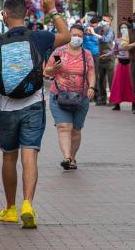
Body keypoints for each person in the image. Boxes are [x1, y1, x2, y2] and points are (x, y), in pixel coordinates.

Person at [0, 0, 70, 229]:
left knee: (9, 157)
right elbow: (66, 35)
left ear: (5, 14)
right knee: (29, 154)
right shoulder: (39, 37)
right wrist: (51, 9)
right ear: (26, 13)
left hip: (7, 107)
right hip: (33, 104)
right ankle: (28, 204)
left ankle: (10, 209)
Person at [46, 24, 96, 170]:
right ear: (69, 35)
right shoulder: (59, 52)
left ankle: (73, 158)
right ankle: (67, 157)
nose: (77, 38)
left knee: (76, 130)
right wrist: (54, 68)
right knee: (64, 127)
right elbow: (47, 71)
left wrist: (92, 87)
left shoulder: (86, 54)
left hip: (81, 97)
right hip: (59, 96)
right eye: (74, 35)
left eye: (80, 36)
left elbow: (91, 73)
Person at [107, 24, 135, 111]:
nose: (123, 29)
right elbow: (114, 51)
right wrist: (107, 54)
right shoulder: (117, 40)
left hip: (130, 63)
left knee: (132, 84)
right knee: (117, 84)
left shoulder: (132, 39)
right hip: (121, 63)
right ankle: (117, 104)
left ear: (129, 29)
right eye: (122, 28)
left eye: (125, 27)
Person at [92, 14, 115, 105]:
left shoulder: (110, 30)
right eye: (102, 19)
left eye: (105, 20)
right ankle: (102, 98)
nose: (103, 21)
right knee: (101, 79)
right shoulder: (99, 29)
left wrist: (94, 34)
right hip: (100, 56)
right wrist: (89, 30)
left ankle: (113, 99)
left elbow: (106, 39)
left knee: (111, 79)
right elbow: (89, 30)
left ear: (109, 21)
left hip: (109, 57)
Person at [82, 16, 102, 102]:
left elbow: (103, 39)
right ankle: (88, 94)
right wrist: (84, 32)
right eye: (91, 25)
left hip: (95, 54)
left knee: (95, 74)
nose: (91, 27)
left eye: (93, 25)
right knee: (85, 73)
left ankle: (97, 95)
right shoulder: (86, 30)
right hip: (85, 54)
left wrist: (93, 33)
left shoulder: (100, 30)